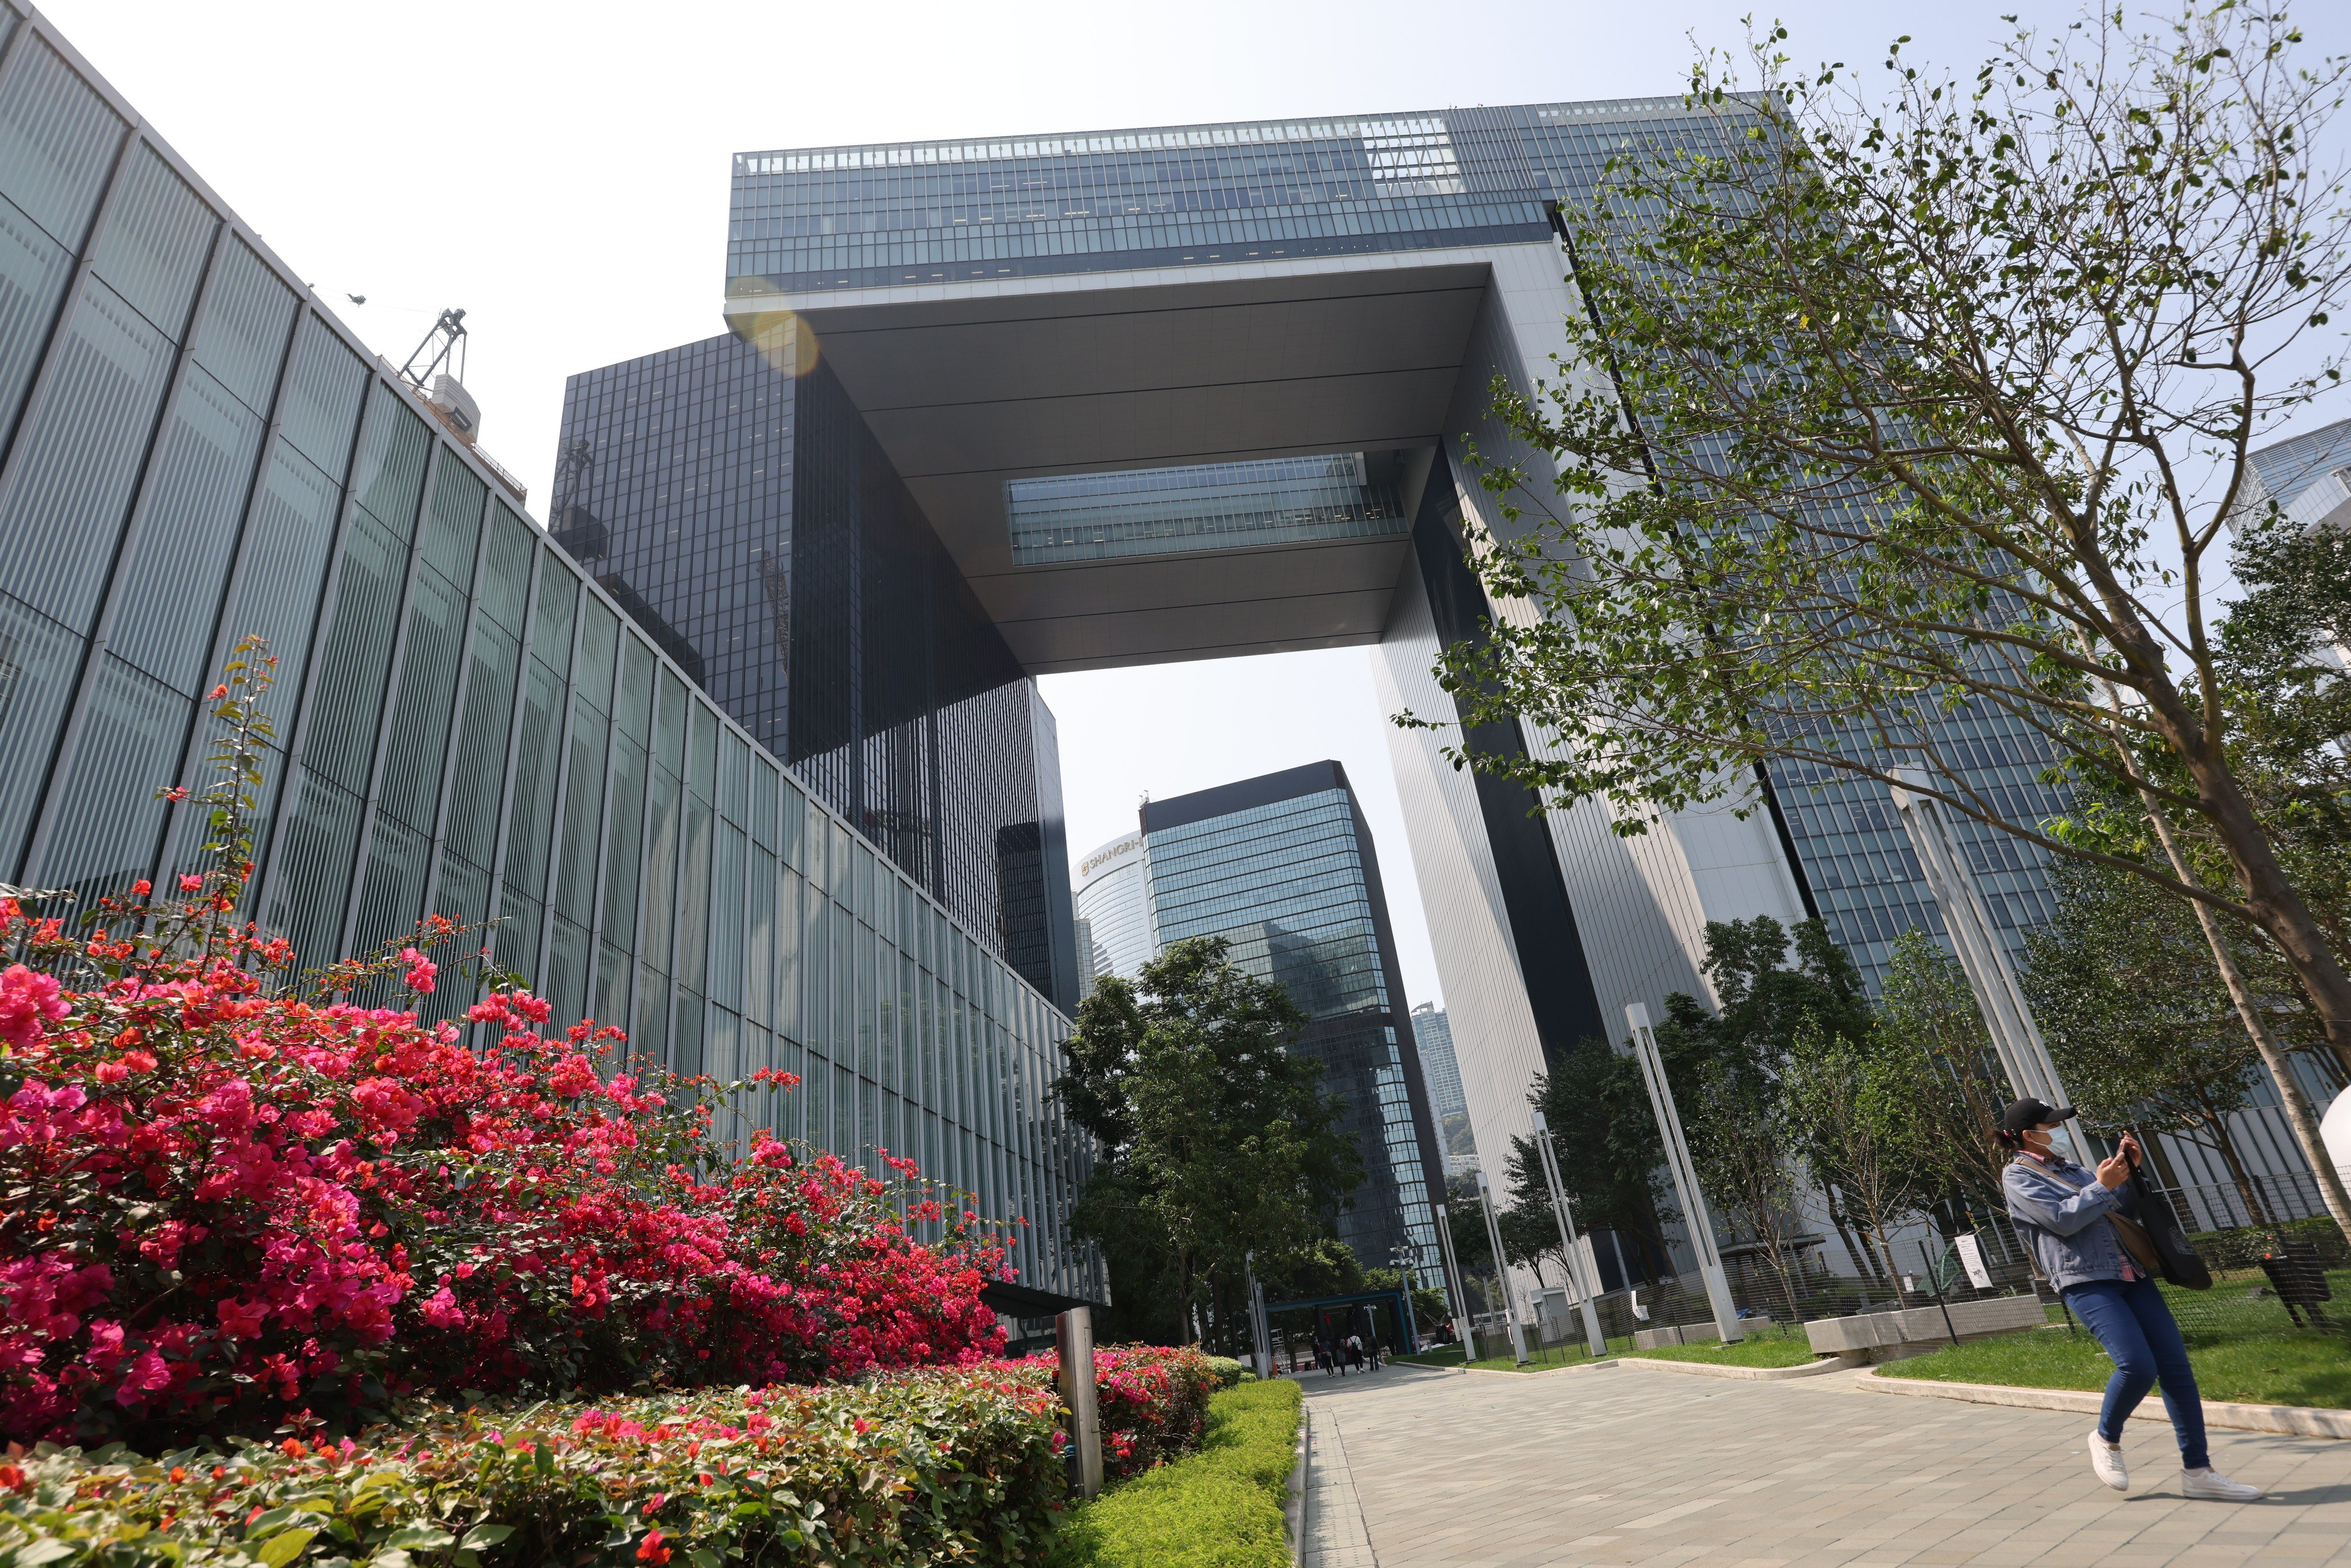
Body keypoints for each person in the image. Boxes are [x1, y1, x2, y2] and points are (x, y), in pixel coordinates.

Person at [1999, 1099, 2262, 1502]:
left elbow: (2120, 1211)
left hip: (2132, 1273)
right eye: (2051, 1126)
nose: (2060, 1131)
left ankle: (2199, 1471)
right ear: (2027, 1135)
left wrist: (2128, 1174)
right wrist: (2101, 1187)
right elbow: (2062, 1220)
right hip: (2085, 1279)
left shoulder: (2076, 1170)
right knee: (2137, 1366)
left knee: (2176, 1368)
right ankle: (2106, 1438)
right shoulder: (2018, 1177)